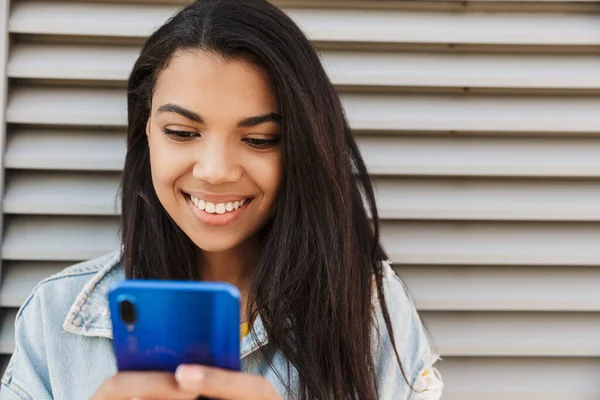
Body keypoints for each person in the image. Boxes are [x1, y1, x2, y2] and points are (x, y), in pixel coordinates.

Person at [0, 0, 443, 399]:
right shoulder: (54, 320)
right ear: (146, 133)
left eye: (259, 138)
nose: (215, 170)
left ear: (303, 150)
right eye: (182, 133)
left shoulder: (370, 313)